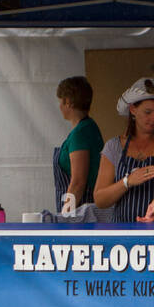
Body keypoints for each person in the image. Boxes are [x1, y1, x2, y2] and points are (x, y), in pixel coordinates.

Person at [93, 78, 154, 222]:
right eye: (148, 112)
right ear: (133, 110)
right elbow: (100, 199)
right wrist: (127, 182)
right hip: (123, 235)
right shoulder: (113, 146)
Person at [53, 76, 104, 210]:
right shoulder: (90, 126)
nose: (59, 106)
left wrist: (65, 215)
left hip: (82, 209)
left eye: (61, 102)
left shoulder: (80, 134)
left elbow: (78, 183)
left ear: (68, 102)